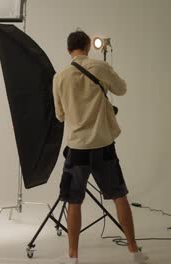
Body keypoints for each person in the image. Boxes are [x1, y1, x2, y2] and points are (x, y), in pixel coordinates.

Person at [52, 30, 150, 264]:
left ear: (68, 50)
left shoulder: (60, 77)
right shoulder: (99, 67)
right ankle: (134, 252)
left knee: (73, 201)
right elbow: (122, 89)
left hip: (77, 149)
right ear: (88, 46)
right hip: (103, 145)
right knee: (120, 197)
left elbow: (60, 115)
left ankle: (73, 256)